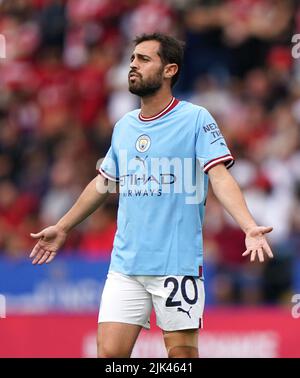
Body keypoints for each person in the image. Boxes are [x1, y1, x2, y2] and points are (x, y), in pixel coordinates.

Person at [29, 33, 274, 358]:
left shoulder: (195, 119)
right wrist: (63, 226)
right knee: (110, 356)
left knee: (181, 357)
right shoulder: (124, 126)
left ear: (170, 69)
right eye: (132, 59)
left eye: (144, 59)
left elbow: (219, 176)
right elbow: (103, 183)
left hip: (177, 265)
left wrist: (247, 226)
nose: (133, 65)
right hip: (126, 265)